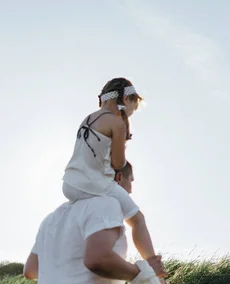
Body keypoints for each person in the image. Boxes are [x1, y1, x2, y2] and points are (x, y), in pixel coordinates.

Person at [23, 163, 167, 284]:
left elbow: (31, 270)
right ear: (119, 178)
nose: (131, 190)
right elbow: (98, 259)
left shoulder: (50, 219)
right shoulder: (107, 204)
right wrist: (143, 272)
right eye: (131, 181)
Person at [62, 77, 158, 263]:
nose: (131, 114)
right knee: (137, 219)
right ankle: (153, 264)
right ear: (127, 99)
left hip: (69, 182)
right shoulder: (116, 122)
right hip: (94, 183)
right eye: (133, 108)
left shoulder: (88, 118)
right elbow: (117, 163)